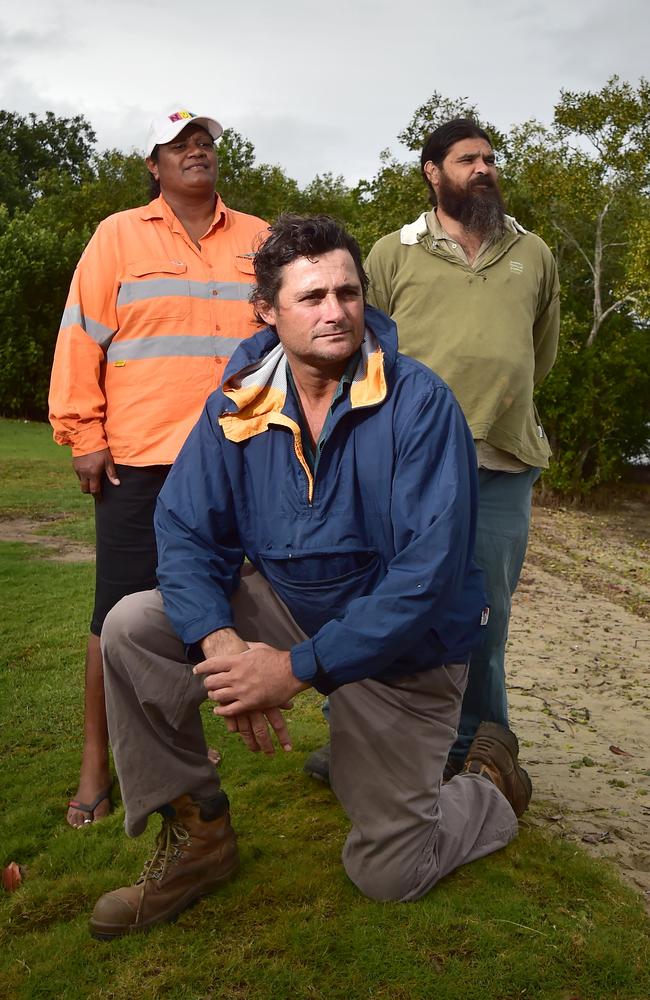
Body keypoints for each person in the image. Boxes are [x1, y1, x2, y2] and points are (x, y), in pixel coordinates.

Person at [88, 214, 531, 940]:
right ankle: (200, 836)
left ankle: (487, 784)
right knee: (135, 626)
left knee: (390, 872)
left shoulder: (420, 403)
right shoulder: (237, 404)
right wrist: (221, 642)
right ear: (266, 311)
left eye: (348, 293)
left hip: (406, 653)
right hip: (292, 612)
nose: (336, 312)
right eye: (312, 296)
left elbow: (425, 577)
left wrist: (295, 670)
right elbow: (185, 530)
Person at [48, 107, 267, 827]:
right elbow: (80, 334)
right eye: (180, 144)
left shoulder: (259, 238)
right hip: (143, 461)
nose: (196, 151)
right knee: (115, 618)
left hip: (243, 457)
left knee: (224, 603)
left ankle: (183, 748)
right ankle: (94, 766)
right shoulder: (118, 236)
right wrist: (83, 430)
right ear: (154, 162)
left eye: (205, 142)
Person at [359, 118, 560, 779]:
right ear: (431, 170)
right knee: (390, 600)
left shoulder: (534, 253)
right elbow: (365, 356)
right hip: (409, 465)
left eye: (490, 158)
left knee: (486, 616)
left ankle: (479, 751)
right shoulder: (393, 253)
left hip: (503, 465)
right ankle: (366, 741)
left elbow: (539, 353)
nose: (484, 168)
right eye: (468, 158)